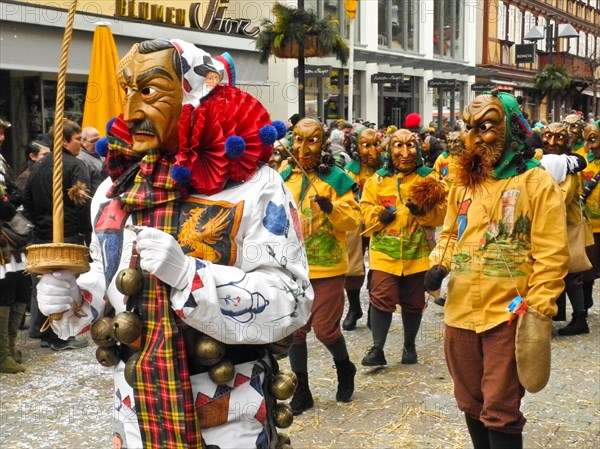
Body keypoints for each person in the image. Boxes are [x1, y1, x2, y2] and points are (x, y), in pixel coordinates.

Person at [36, 39, 312, 449]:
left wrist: (191, 277)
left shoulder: (256, 187)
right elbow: (110, 282)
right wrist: (74, 297)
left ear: (194, 90)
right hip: (137, 408)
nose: (131, 111)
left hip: (229, 413)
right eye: (127, 92)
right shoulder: (114, 192)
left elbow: (292, 301)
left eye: (148, 91)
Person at [425, 91, 569, 449]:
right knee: (471, 401)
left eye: (486, 127)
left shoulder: (535, 182)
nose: (474, 138)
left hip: (508, 315)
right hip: (460, 312)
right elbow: (449, 234)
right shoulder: (462, 182)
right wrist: (438, 264)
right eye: (469, 128)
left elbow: (551, 254)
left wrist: (538, 309)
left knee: (501, 406)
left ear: (510, 127)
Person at [280, 117, 360, 415]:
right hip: (293, 268)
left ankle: (344, 367)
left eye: (311, 140)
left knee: (326, 330)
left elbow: (353, 220)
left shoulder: (336, 179)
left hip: (327, 268)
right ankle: (302, 392)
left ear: (323, 143)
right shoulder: (283, 175)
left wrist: (332, 208)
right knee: (297, 332)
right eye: (298, 140)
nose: (303, 147)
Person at [360, 128, 447, 367]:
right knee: (381, 297)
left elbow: (442, 213)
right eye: (399, 145)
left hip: (417, 253)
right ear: (389, 150)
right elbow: (364, 208)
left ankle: (409, 345)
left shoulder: (430, 178)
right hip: (384, 254)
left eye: (411, 145)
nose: (405, 152)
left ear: (418, 149)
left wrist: (423, 212)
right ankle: (377, 348)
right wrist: (377, 215)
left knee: (413, 301)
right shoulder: (377, 180)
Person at [24, 119, 91, 351]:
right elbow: (83, 204)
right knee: (63, 285)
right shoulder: (74, 166)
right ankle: (60, 336)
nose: (80, 144)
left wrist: (39, 223)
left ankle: (42, 330)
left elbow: (28, 202)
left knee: (45, 283)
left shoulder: (38, 167)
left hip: (41, 234)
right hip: (67, 234)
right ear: (63, 141)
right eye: (77, 140)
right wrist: (87, 233)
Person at [539, 122, 589, 335]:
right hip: (550, 225)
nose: (551, 142)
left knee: (570, 271)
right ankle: (557, 312)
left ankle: (580, 319)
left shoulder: (568, 167)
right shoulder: (544, 162)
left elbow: (561, 197)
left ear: (567, 141)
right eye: (547, 136)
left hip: (567, 224)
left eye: (558, 137)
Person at [342, 126, 384, 331]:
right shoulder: (349, 171)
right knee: (353, 267)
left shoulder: (387, 170)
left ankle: (373, 309)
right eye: (366, 145)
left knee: (378, 267)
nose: (372, 150)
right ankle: (354, 307)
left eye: (376, 144)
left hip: (380, 223)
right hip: (357, 224)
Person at [0, 117, 30, 374]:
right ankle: (2, 355)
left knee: (20, 287)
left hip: (11, 237)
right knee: (4, 292)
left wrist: (11, 198)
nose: (2, 137)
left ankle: (9, 347)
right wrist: (10, 206)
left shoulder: (2, 161)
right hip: (2, 237)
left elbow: (12, 193)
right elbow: (5, 202)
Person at [581, 122, 600, 316]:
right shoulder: (581, 157)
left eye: (595, 140)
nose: (592, 146)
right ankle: (583, 310)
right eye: (589, 141)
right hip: (588, 226)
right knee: (587, 270)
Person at [77, 126, 105, 195]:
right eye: (93, 141)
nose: (97, 143)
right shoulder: (81, 160)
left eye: (98, 140)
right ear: (83, 142)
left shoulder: (102, 154)